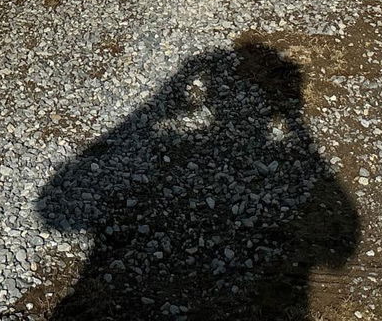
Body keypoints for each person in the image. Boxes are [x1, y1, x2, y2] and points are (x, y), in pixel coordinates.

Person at [37, 40, 359, 319]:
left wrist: (156, 108)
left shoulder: (175, 142)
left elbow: (52, 209)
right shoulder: (287, 159)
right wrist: (295, 124)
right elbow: (339, 248)